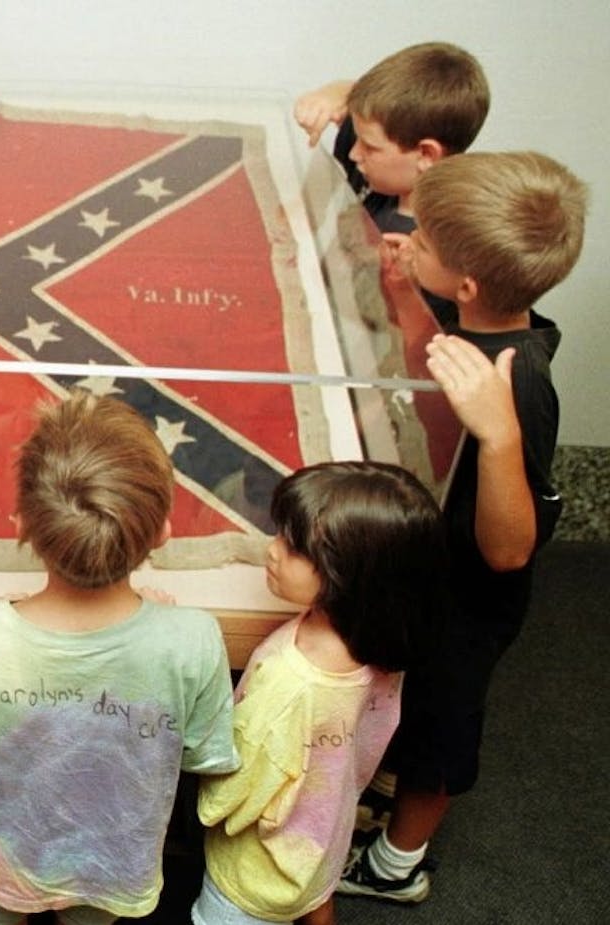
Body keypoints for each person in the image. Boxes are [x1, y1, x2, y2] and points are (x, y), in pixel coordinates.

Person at [336, 151, 587, 904]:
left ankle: (397, 864)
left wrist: (501, 437)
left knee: (441, 736)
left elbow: (509, 550)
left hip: (469, 608)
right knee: (410, 705)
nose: (406, 237)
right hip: (432, 576)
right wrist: (406, 276)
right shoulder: (475, 317)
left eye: (424, 240)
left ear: (469, 284)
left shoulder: (518, 385)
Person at [0, 391, 240, 924]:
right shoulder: (195, 638)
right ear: (161, 531)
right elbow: (205, 756)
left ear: (23, 525)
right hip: (114, 867)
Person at [192, 462, 446, 925]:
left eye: (292, 547)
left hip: (255, 873)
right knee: (314, 899)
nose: (271, 551)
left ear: (346, 574)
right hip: (323, 834)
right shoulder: (380, 646)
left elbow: (231, 796)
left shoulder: (291, 682)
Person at [294, 42, 489, 236]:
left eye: (369, 147)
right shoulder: (380, 146)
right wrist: (332, 94)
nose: (353, 154)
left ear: (426, 155)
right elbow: (350, 91)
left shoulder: (425, 246)